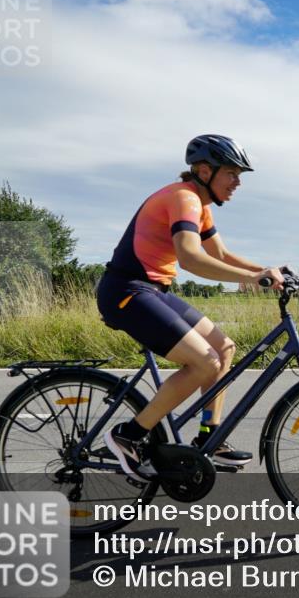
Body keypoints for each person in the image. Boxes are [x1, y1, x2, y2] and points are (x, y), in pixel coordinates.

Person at [97, 134, 284, 480]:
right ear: (204, 171)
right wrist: (253, 278)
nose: (238, 182)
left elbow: (221, 255)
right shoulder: (184, 198)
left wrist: (267, 271)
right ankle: (129, 435)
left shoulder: (200, 205)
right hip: (127, 291)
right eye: (232, 173)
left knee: (223, 349)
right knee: (204, 362)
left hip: (153, 290)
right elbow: (191, 258)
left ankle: (210, 438)